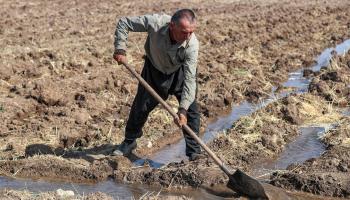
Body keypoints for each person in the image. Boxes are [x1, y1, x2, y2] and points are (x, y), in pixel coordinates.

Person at [112, 9, 203, 161]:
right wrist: (120, 48)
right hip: (154, 69)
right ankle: (129, 141)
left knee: (191, 112)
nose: (188, 36)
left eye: (191, 32)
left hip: (179, 73)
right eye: (184, 32)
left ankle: (194, 153)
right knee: (141, 107)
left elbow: (190, 79)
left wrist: (183, 109)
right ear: (171, 25)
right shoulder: (156, 23)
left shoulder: (192, 44)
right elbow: (124, 23)